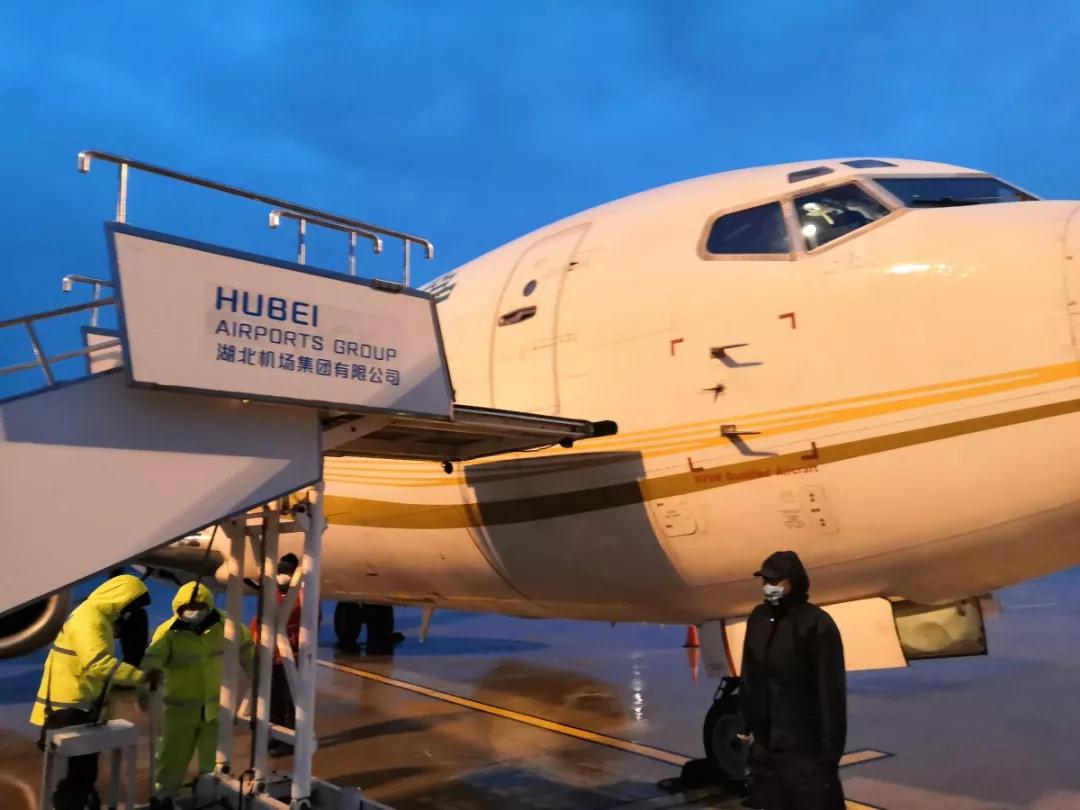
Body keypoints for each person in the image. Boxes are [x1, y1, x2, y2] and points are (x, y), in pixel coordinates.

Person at [30, 574, 162, 810]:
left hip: (77, 706)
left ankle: (81, 802)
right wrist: (140, 676)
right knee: (77, 775)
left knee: (83, 772)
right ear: (121, 601)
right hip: (68, 710)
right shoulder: (90, 620)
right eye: (130, 609)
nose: (129, 616)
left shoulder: (94, 617)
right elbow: (98, 664)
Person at [740, 551, 847, 810]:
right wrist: (746, 727)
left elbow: (830, 694)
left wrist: (829, 757)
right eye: (765, 581)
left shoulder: (816, 624)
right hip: (767, 749)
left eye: (775, 581)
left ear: (793, 581)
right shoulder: (758, 619)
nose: (768, 587)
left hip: (805, 752)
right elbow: (749, 677)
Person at [142, 582, 253, 809]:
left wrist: (259, 677)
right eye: (186, 608)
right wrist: (145, 686)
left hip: (215, 709)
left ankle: (210, 795)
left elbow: (246, 650)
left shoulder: (227, 626)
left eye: (196, 607)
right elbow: (152, 661)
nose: (191, 612)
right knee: (172, 758)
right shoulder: (168, 632)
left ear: (207, 605)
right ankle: (163, 796)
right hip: (179, 711)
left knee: (214, 761)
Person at [249, 553, 301, 754]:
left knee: (289, 702)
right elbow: (258, 622)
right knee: (273, 700)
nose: (282, 577)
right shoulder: (274, 594)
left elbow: (292, 621)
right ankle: (275, 736)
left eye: (286, 573)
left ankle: (289, 740)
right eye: (280, 573)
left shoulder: (300, 598)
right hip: (272, 657)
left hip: (290, 657)